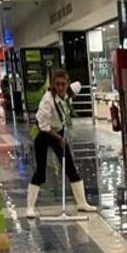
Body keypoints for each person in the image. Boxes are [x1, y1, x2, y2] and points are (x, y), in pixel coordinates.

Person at [25, 69, 96, 218]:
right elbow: (43, 125)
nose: (61, 87)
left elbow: (79, 85)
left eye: (63, 84)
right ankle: (30, 208)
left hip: (59, 130)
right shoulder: (48, 100)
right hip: (43, 133)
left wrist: (71, 91)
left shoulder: (69, 92)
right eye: (57, 84)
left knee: (70, 167)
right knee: (40, 170)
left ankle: (82, 203)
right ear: (53, 84)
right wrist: (59, 138)